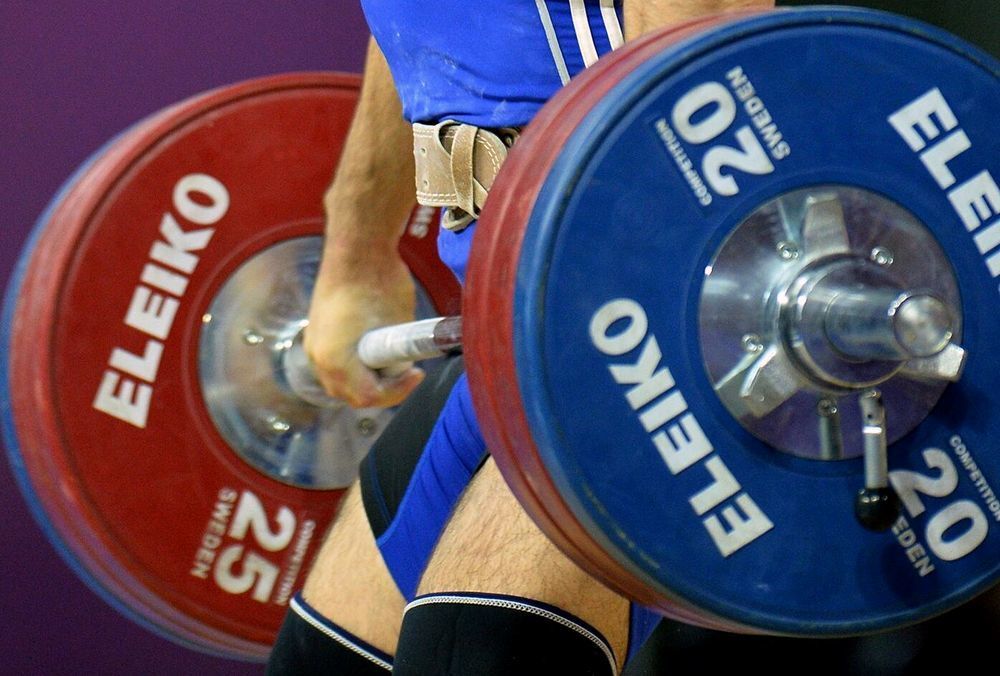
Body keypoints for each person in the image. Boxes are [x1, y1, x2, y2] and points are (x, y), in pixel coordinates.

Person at [267, 2, 774, 674]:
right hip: (506, 315)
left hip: (626, 302)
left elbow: (709, 39)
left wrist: (635, 302)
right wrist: (357, 248)